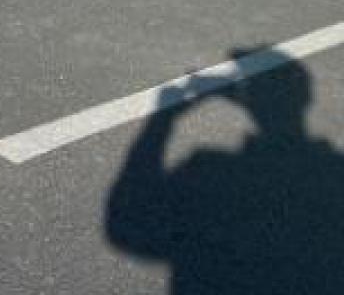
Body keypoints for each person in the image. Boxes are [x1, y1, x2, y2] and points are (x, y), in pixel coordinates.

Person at [105, 50, 344, 293]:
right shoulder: (334, 170)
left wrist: (162, 119)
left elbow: (127, 225)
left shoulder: (208, 168)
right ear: (305, 99)